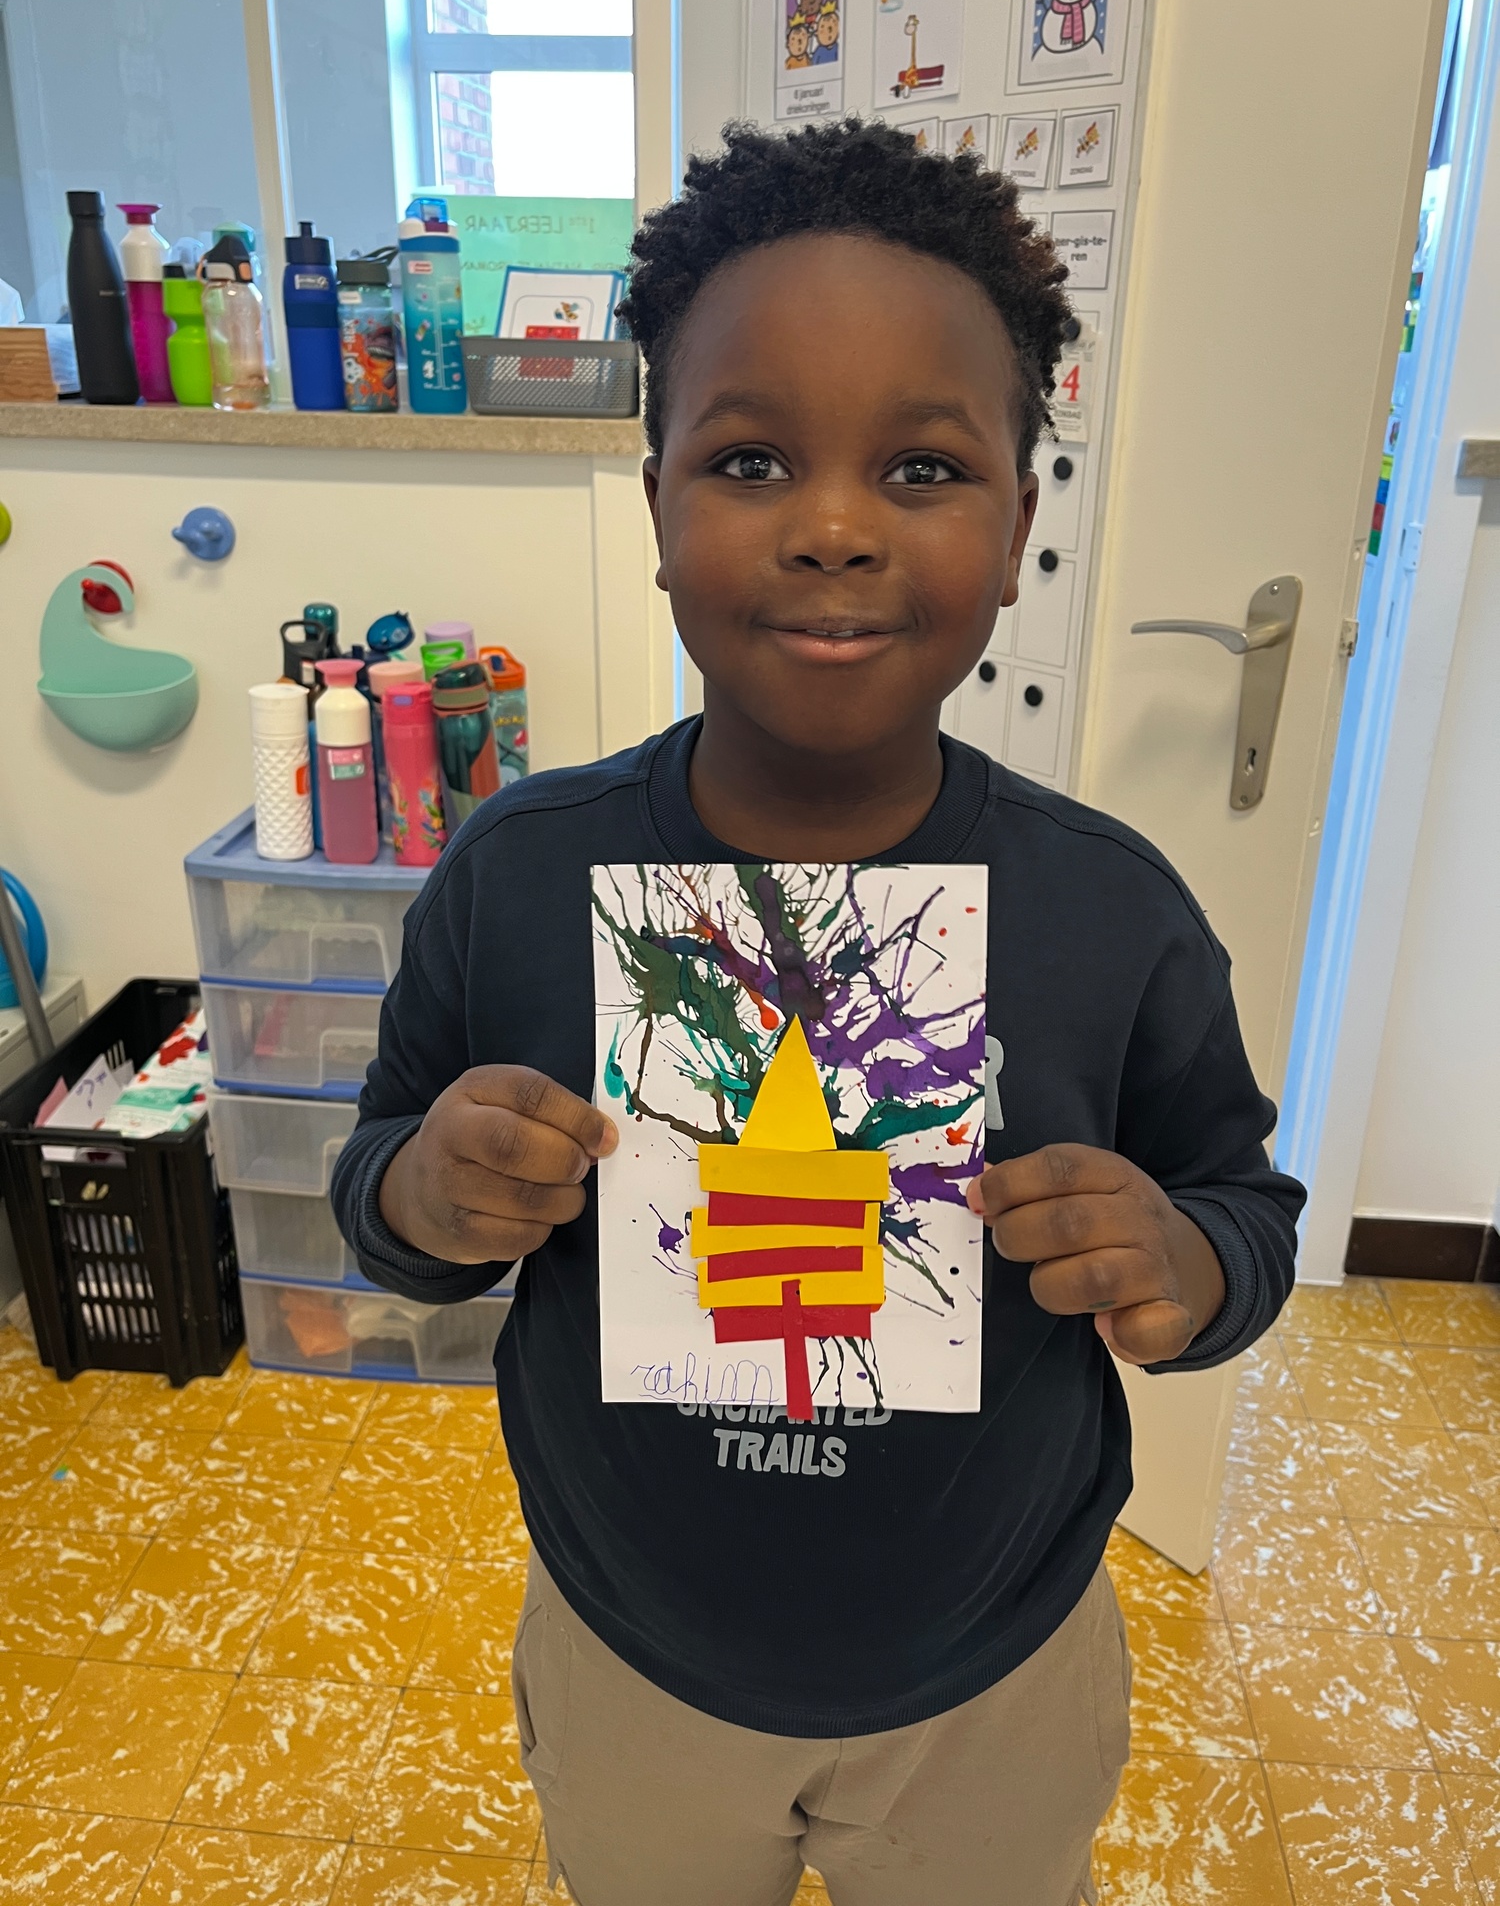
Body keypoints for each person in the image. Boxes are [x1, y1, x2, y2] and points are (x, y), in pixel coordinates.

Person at [332, 117, 1303, 1906]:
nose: (837, 529)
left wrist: (1183, 1260)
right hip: (632, 1648)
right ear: (657, 510)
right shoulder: (518, 873)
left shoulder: (1113, 912)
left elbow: (1245, 1212)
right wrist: (422, 1192)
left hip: (997, 1665)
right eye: (753, 459)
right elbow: (384, 1187)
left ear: (1017, 533)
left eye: (923, 469)